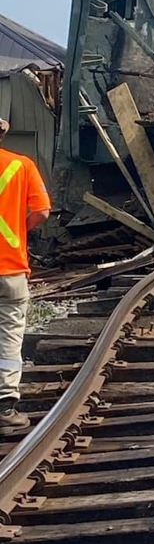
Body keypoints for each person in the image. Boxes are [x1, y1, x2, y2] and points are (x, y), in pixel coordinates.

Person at [0, 119, 51, 436]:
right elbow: (42, 211)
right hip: (11, 269)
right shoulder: (22, 165)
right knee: (8, 336)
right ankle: (4, 407)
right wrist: (18, 231)